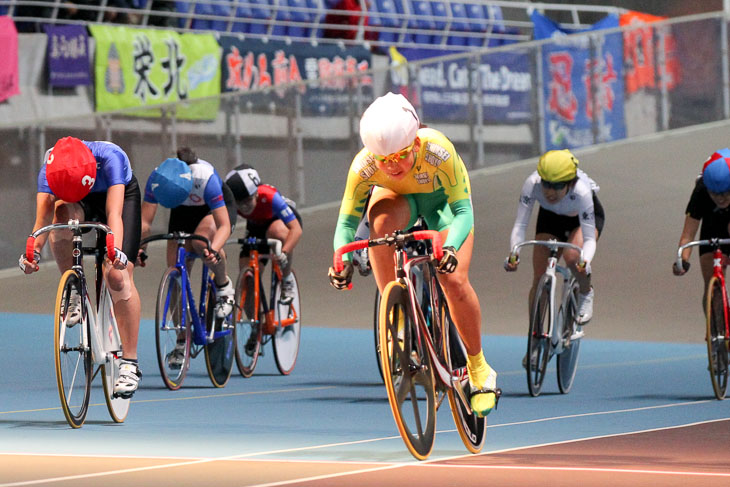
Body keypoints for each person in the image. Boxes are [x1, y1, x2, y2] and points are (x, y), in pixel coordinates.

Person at [328, 92, 498, 418]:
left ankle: (479, 368)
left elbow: (463, 212)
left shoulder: (438, 150)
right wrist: (342, 258)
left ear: (416, 144)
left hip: (442, 207)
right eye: (383, 159)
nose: (391, 165)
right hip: (398, 202)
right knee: (378, 223)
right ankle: (398, 314)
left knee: (453, 279)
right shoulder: (364, 164)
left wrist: (449, 249)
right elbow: (346, 224)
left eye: (400, 156)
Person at [19, 137, 143, 398]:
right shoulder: (50, 170)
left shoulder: (110, 158)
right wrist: (33, 254)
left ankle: (130, 364)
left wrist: (116, 253)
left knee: (117, 277)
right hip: (79, 200)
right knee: (61, 216)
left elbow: (114, 216)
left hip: (118, 197)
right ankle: (74, 287)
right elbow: (42, 221)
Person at [504, 149, 604, 329]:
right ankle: (534, 335)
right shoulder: (532, 183)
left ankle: (585, 292)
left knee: (573, 256)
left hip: (580, 220)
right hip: (551, 217)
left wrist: (585, 260)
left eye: (557, 186)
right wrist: (514, 252)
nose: (549, 191)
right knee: (539, 275)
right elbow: (520, 225)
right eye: (546, 184)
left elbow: (589, 239)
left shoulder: (582, 191)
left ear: (570, 183)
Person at [138, 148, 237, 323]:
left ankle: (223, 286)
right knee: (175, 273)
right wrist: (139, 248)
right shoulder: (157, 179)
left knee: (202, 244)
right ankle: (182, 339)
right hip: (182, 211)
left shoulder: (206, 178)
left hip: (210, 210)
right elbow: (145, 223)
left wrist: (213, 250)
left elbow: (224, 225)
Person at [224, 164, 303, 305]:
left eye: (247, 201)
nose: (243, 207)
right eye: (239, 203)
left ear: (256, 193)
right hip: (256, 225)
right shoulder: (230, 203)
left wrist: (284, 252)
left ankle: (286, 280)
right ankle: (255, 320)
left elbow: (295, 229)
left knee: (276, 232)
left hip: (278, 220)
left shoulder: (270, 196)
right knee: (247, 277)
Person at [673, 149, 730, 300]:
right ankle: (714, 318)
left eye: (725, 193)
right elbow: (688, 235)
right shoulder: (701, 191)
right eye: (715, 194)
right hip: (713, 223)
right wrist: (682, 260)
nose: (720, 199)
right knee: (710, 281)